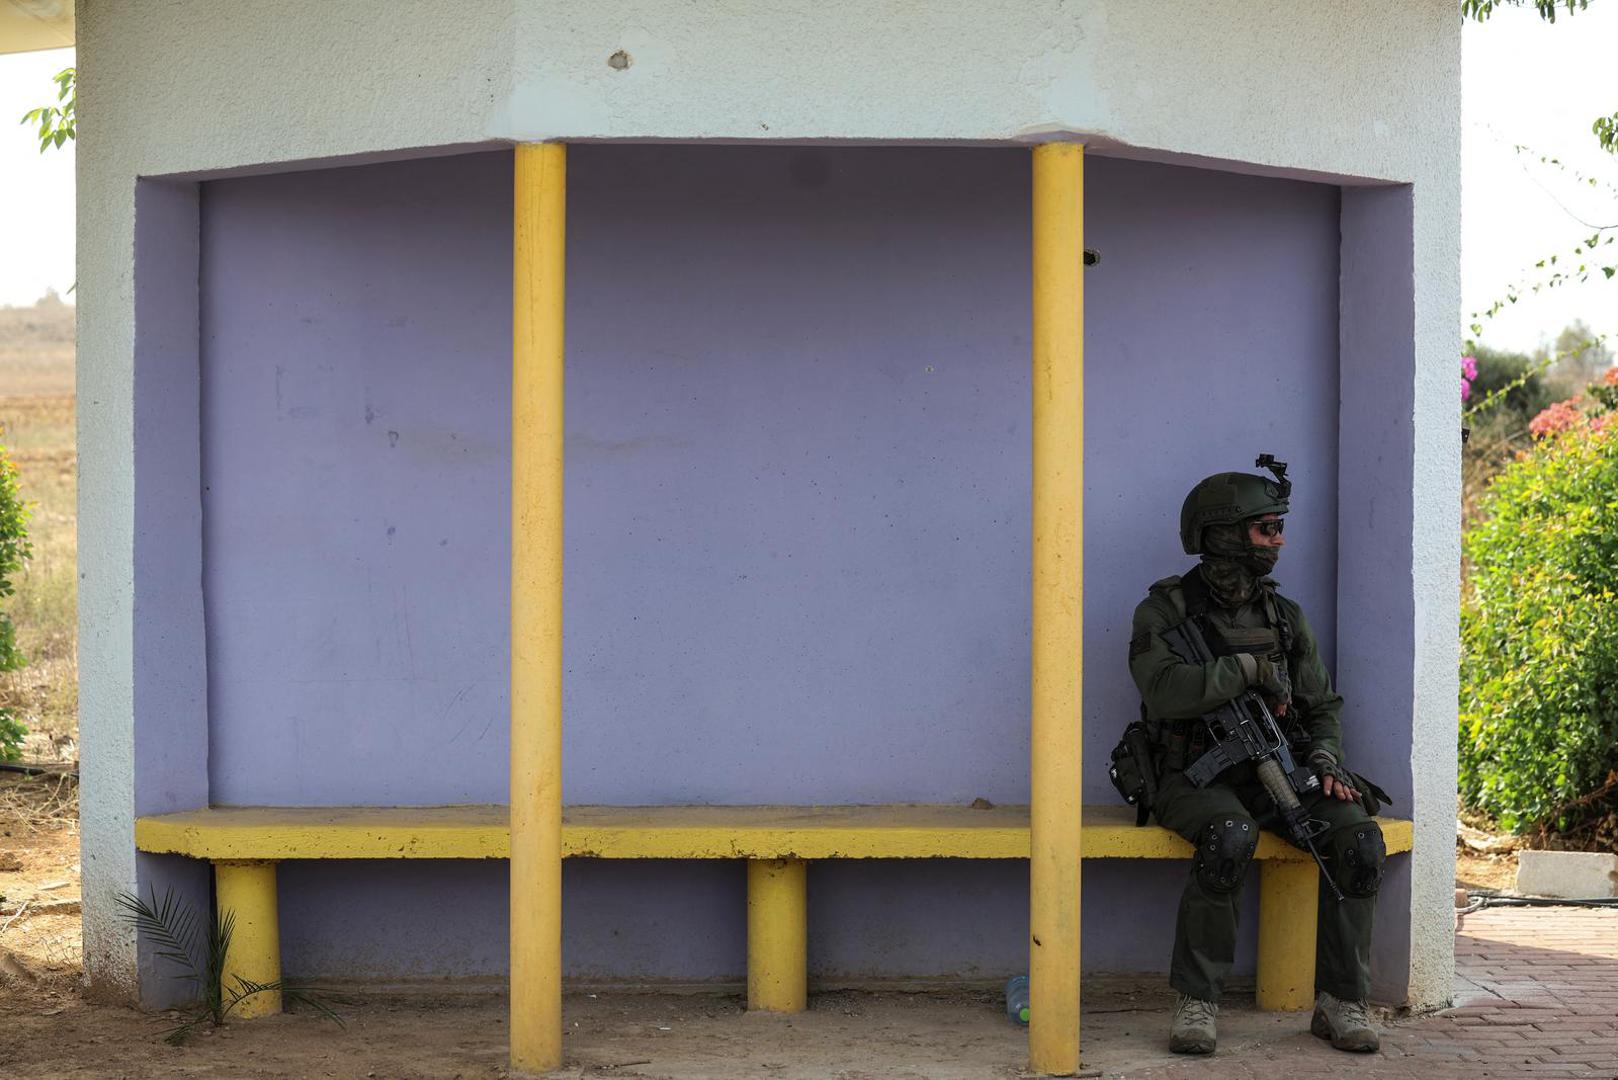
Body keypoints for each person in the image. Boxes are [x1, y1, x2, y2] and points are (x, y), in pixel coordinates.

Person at [1126, 460, 1386, 1055]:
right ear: (1223, 532)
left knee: (1359, 842)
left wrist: (1324, 758)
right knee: (1229, 837)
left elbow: (1321, 704)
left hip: (1281, 771)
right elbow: (1162, 689)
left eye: (1278, 528)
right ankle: (1198, 1002)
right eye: (1266, 528)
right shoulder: (1164, 612)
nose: (1279, 541)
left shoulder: (1283, 617)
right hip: (1192, 777)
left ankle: (1341, 1000)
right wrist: (1243, 670)